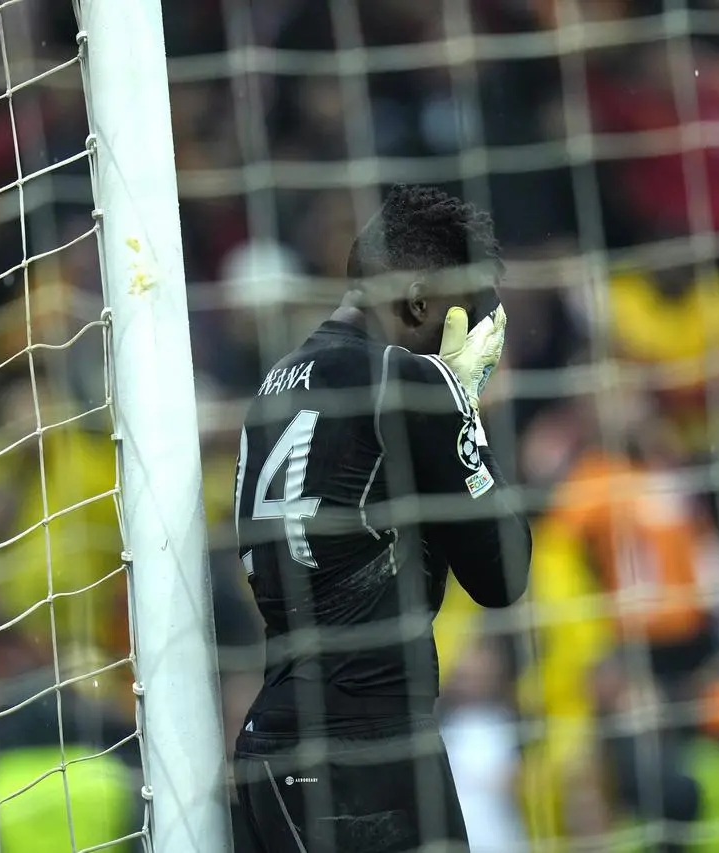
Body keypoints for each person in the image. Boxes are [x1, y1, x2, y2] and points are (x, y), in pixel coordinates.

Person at [232, 185, 533, 852]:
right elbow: (503, 571)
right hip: (363, 751)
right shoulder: (406, 382)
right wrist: (463, 406)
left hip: (275, 741)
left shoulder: (275, 382)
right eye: (469, 312)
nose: (476, 332)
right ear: (420, 299)